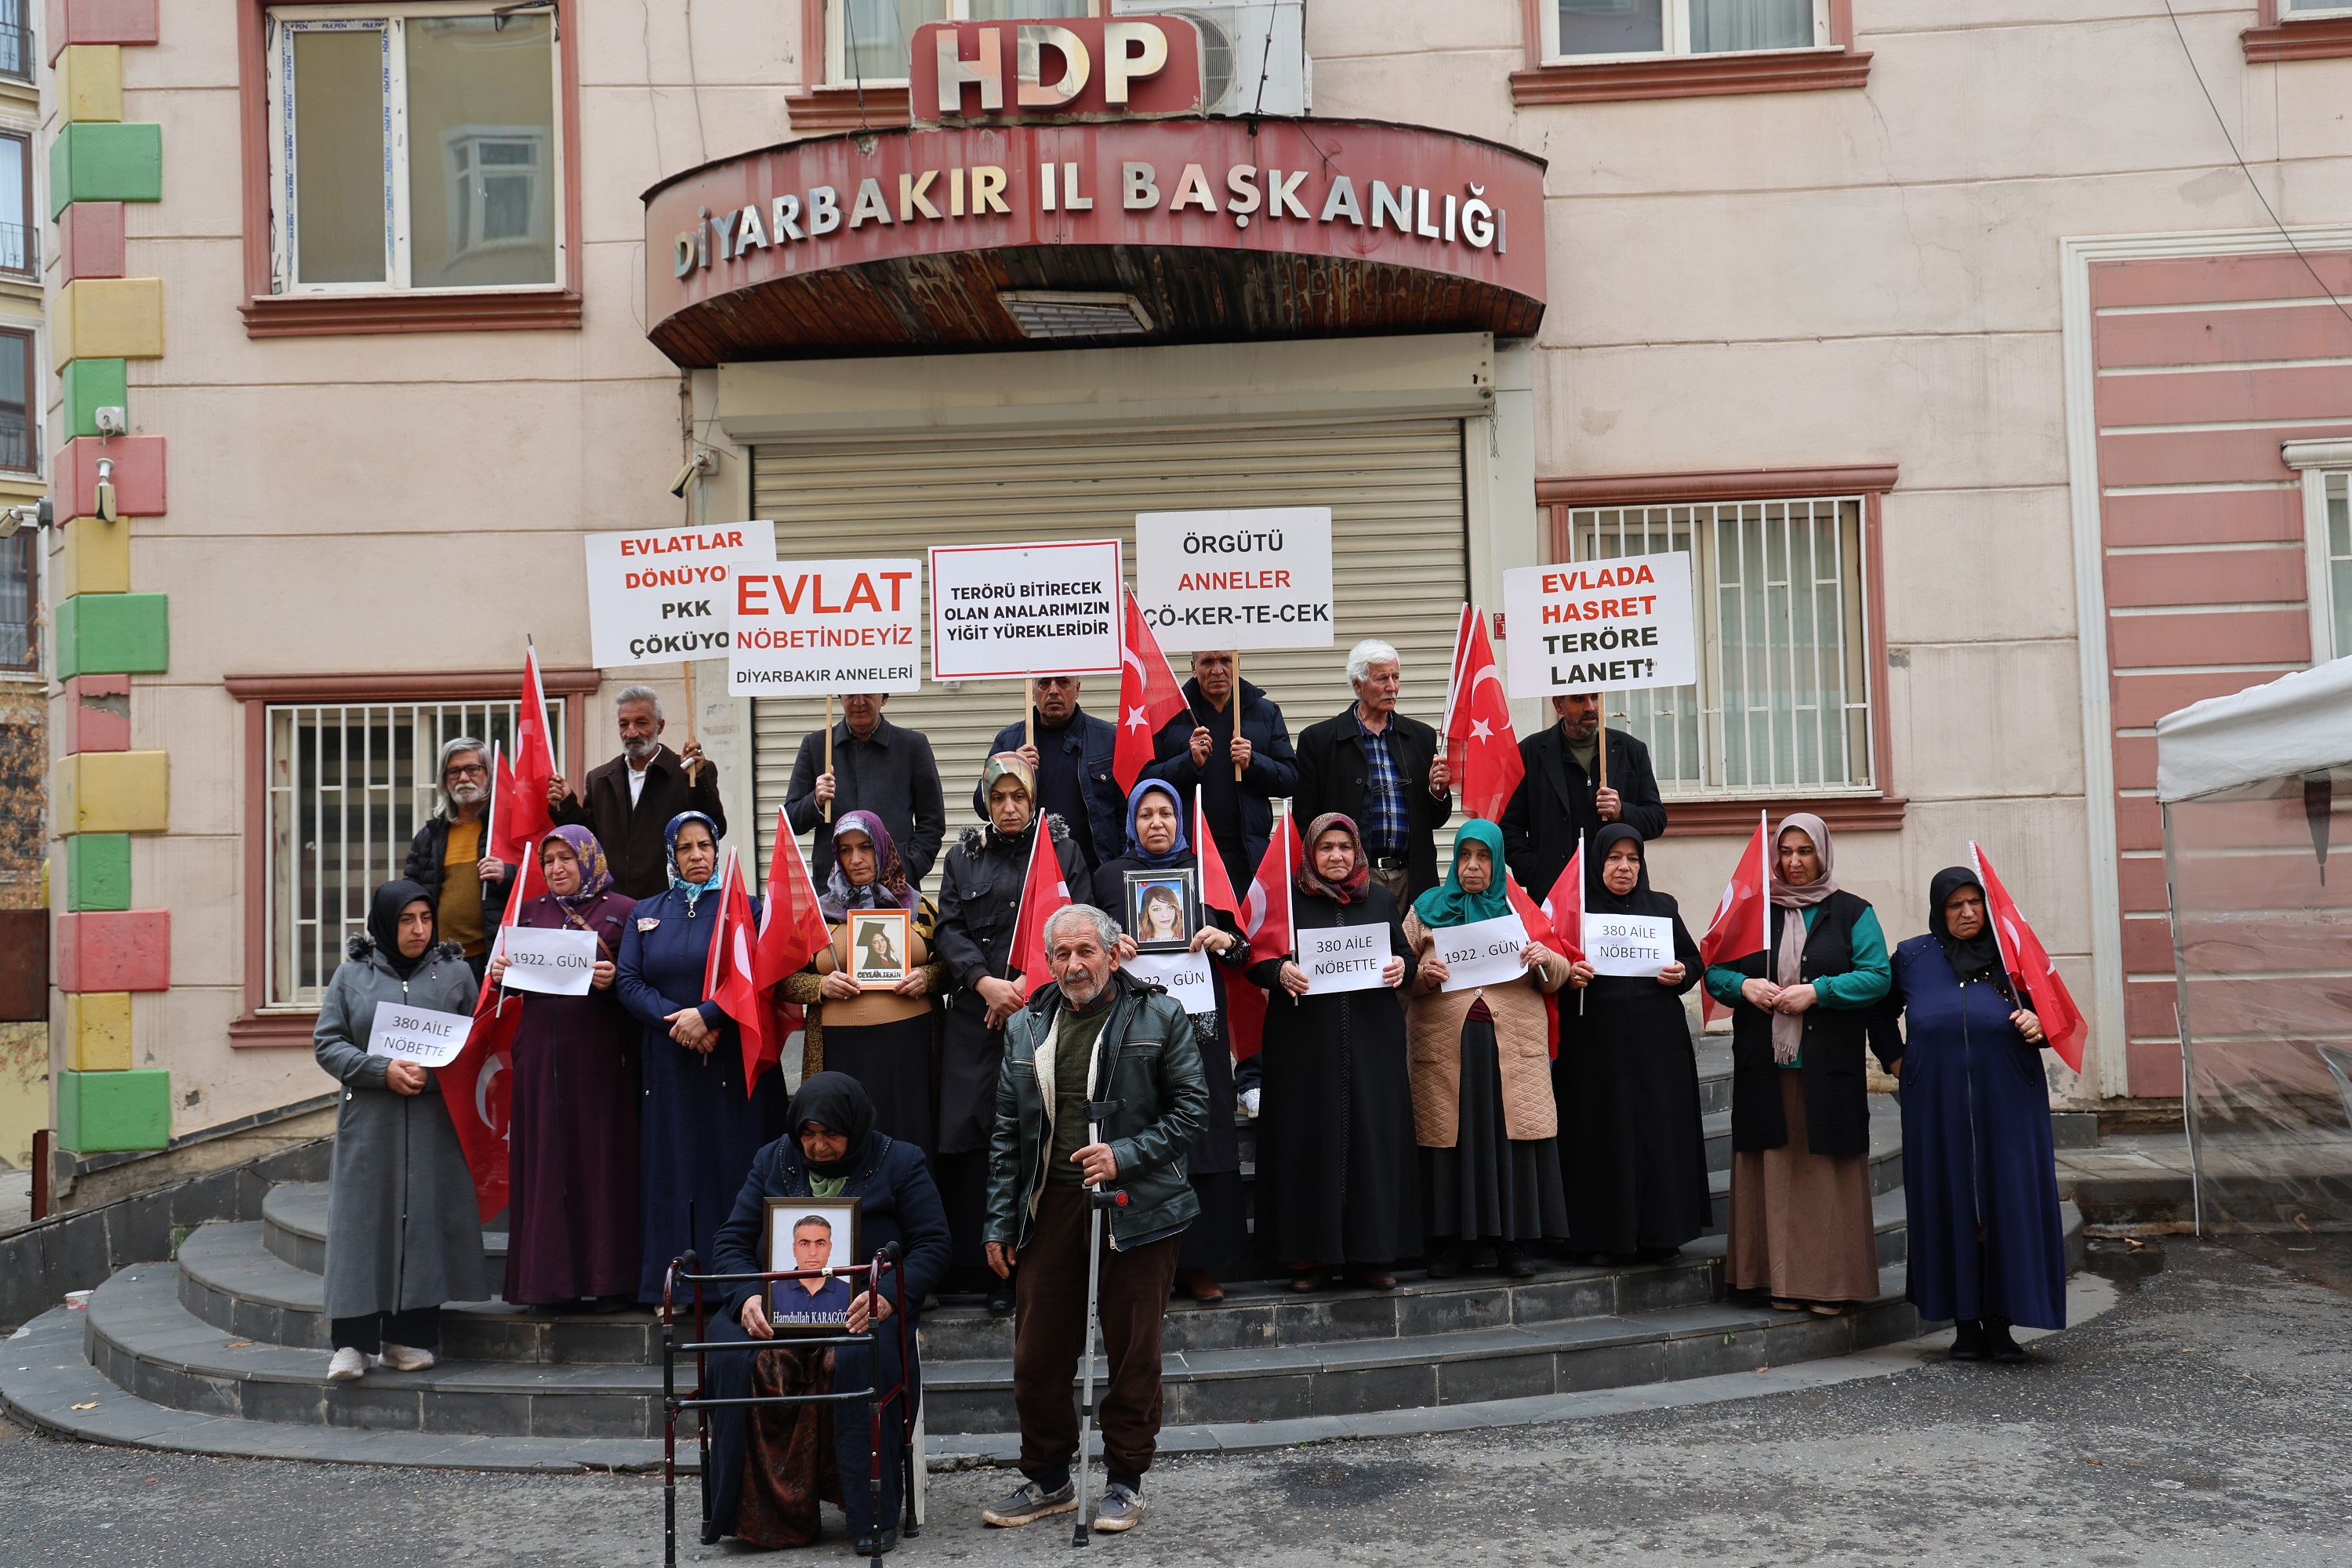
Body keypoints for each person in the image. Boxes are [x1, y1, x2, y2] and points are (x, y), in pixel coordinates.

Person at [978, 906, 1207, 1537]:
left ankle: (1125, 1482)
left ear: (1113, 954)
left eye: (1086, 951)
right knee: (1037, 1353)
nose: (1074, 965)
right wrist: (1000, 1221)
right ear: (1048, 961)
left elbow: (1192, 1112)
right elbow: (1006, 1135)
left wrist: (1122, 1156)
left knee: (1135, 1351)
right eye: (1062, 954)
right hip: (1050, 1205)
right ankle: (1049, 1478)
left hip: (1138, 1207)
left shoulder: (1160, 1015)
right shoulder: (1025, 1026)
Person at [702, 1073, 951, 1555]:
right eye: (809, 1134)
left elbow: (934, 1245)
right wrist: (748, 1296)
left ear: (855, 1129)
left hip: (862, 1307)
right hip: (779, 1304)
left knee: (856, 1359)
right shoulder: (773, 1159)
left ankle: (870, 1512)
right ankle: (768, 1516)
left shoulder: (900, 1161)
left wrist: (888, 1296)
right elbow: (731, 1240)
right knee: (738, 1356)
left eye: (831, 1135)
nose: (817, 1146)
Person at [1704, 814, 1894, 1316]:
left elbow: (1877, 977)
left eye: (1804, 851)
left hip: (1827, 1070)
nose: (1793, 862)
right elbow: (1714, 970)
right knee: (1769, 1173)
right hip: (1765, 1070)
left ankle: (1828, 1286)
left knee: (1823, 1178)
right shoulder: (1752, 910)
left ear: (1823, 854)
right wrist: (1744, 987)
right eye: (1785, 851)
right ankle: (1771, 1281)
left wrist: (1818, 992)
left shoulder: (1853, 913)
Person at [1882, 867, 2067, 1361]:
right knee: (1950, 1199)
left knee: (2006, 1200)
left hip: (2009, 1100)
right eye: (1955, 905)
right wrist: (1898, 1061)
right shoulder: (1913, 956)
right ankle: (1964, 1323)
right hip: (1936, 1103)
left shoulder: (2013, 955)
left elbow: (2056, 1015)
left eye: (1974, 903)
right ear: (1939, 910)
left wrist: (2037, 1023)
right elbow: (1878, 1012)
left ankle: (2002, 1324)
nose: (1967, 913)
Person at [933, 754, 1088, 1312]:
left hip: (1044, 1013)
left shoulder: (1061, 850)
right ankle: (991, 1271)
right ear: (985, 801)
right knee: (978, 1143)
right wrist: (985, 984)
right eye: (998, 798)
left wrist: (1024, 985)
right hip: (976, 1019)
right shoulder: (963, 857)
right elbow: (949, 929)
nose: (1009, 807)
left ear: (1032, 799)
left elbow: (1076, 922)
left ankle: (1036, 1270)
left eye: (1018, 797)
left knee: (1035, 1135)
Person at [311, 880, 484, 1381]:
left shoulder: (454, 974)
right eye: (407, 920)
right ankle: (352, 1344)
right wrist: (379, 1070)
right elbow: (328, 1043)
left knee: (425, 1219)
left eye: (426, 919)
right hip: (371, 1120)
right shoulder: (351, 976)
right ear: (386, 922)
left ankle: (409, 1337)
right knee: (363, 1222)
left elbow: (476, 1041)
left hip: (434, 1121)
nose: (418, 930)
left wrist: (443, 1070)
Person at [618, 811, 788, 1303]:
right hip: (669, 1063)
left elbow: (758, 974)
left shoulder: (746, 908)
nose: (696, 855)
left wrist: (711, 1015)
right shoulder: (646, 912)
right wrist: (683, 1021)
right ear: (671, 855)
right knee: (671, 1168)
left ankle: (735, 1285)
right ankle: (670, 1287)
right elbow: (628, 982)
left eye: (705, 846)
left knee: (730, 1165)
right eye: (685, 847)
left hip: (732, 1061)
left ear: (717, 851)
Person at [1091, 780, 1250, 1302]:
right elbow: (1085, 952)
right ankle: (1147, 1259)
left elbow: (1245, 949)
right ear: (1131, 822)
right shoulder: (1109, 878)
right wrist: (1112, 947)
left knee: (1202, 1134)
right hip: (1136, 1033)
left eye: (1165, 814)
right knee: (1144, 1131)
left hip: (1199, 1033)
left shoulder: (1208, 874)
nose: (1156, 823)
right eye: (1146, 815)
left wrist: (1224, 939)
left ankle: (1198, 1264)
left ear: (1180, 820)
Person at [1250, 813, 1422, 1291]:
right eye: (1326, 848)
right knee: (1309, 1141)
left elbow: (1407, 959)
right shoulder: (1287, 900)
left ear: (1358, 852)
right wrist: (1281, 972)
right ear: (1310, 853)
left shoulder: (1382, 899)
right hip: (1304, 1048)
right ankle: (1310, 1259)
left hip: (1372, 1044)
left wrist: (1397, 969)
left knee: (1372, 1140)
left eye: (1345, 847)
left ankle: (1372, 1254)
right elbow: (1254, 957)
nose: (1337, 856)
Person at [1403, 819, 1573, 1278]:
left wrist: (1546, 959)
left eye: (1482, 857)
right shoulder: (1423, 911)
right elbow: (1398, 981)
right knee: (1448, 1140)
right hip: (1446, 1050)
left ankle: (1514, 1244)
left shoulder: (1521, 911)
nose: (1472, 866)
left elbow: (1561, 974)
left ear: (1497, 862)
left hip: (1511, 1049)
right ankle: (1452, 1244)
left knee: (1511, 1138)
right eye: (1464, 856)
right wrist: (1422, 976)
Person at [488, 826, 640, 1311]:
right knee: (545, 1163)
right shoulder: (527, 912)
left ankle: (610, 1280)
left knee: (601, 1163)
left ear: (589, 859)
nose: (555, 868)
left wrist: (615, 980)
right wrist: (498, 975)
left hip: (598, 1061)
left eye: (566, 858)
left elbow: (640, 984)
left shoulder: (624, 911)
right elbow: (507, 987)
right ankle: (548, 1284)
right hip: (538, 1060)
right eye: (549, 860)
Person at [1555, 826, 1711, 1263]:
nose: (1624, 867)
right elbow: (1553, 962)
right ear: (1598, 862)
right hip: (1594, 1049)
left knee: (1658, 1132)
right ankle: (1599, 1238)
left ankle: (1662, 1233)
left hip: (1658, 1047)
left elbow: (1694, 960)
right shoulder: (1577, 908)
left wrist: (1682, 972)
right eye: (1614, 858)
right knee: (1598, 1134)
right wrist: (1572, 974)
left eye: (1633, 859)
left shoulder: (1662, 907)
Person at [778, 811, 947, 1153]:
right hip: (841, 1051)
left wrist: (925, 978)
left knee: (911, 1142)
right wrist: (820, 987)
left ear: (883, 848)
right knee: (848, 1139)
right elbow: (781, 980)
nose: (856, 859)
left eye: (866, 847)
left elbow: (952, 966)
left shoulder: (920, 908)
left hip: (909, 1051)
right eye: (845, 850)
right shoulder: (817, 915)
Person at [1294, 638, 1454, 904]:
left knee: (1412, 947)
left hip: (1412, 878)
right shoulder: (1319, 741)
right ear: (1357, 685)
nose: (1392, 687)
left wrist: (1437, 792)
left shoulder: (1421, 737)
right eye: (1382, 679)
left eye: (1396, 677)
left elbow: (1435, 821)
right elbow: (1306, 822)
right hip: (1349, 882)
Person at [1141, 649, 1299, 896]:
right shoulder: (1168, 713)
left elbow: (1290, 780)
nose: (1217, 670)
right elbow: (1144, 782)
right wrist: (1188, 761)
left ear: (1237, 664)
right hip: (1187, 854)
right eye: (1208, 662)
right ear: (1193, 667)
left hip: (1248, 856)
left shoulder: (1266, 712)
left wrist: (1254, 762)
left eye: (1226, 661)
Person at [550, 685, 727, 899]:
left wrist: (698, 778)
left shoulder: (688, 774)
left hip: (671, 903)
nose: (631, 732)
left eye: (641, 723)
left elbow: (714, 827)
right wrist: (566, 804)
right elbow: (589, 842)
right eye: (624, 725)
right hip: (614, 907)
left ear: (660, 726)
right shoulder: (600, 779)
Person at [1499, 693, 1668, 899]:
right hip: (1554, 893)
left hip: (1620, 895)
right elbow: (1508, 827)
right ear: (1558, 705)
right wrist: (1533, 870)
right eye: (1578, 699)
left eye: (1596, 698)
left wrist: (1622, 811)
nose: (1590, 707)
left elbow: (1657, 819)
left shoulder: (1631, 750)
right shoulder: (1529, 753)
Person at [782, 693, 948, 891]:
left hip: (896, 887)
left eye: (868, 695)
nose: (859, 702)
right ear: (840, 698)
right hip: (832, 889)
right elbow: (791, 819)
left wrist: (908, 867)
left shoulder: (912, 745)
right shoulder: (817, 745)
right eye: (851, 695)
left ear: (884, 698)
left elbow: (932, 822)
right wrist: (815, 801)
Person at [982, 674, 1123, 876]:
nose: (1054, 690)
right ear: (1032, 691)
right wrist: (1012, 766)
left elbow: (1126, 812)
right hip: (1029, 872)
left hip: (1095, 871)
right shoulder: (1010, 740)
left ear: (1077, 689)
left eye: (1063, 682)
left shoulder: (1107, 738)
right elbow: (983, 806)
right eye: (1044, 683)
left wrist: (1117, 869)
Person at [401, 736, 512, 981]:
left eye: (472, 769)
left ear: (489, 775)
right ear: (444, 780)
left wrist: (508, 873)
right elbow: (410, 897)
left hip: (497, 960)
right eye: (454, 771)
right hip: (440, 961)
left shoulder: (510, 828)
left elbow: (540, 880)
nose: (463, 778)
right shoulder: (429, 836)